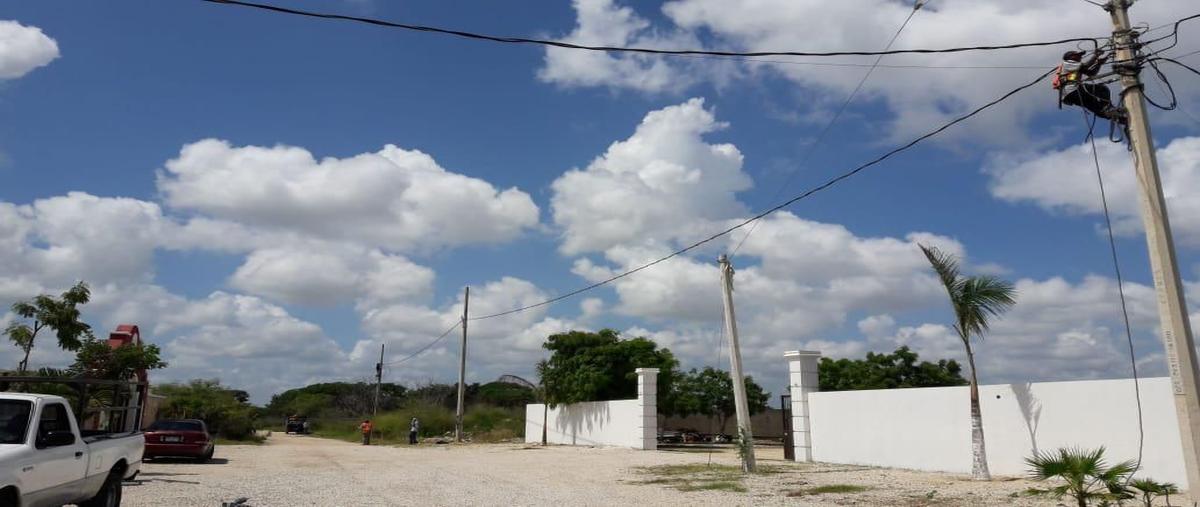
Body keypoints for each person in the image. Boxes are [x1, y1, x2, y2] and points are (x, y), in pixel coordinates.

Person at [1056, 50, 1127, 124]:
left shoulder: (1074, 67)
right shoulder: (1067, 63)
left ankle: (1120, 119)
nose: (1080, 57)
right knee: (1102, 88)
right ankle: (1109, 108)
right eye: (1077, 55)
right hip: (1073, 90)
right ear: (1070, 57)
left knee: (1097, 107)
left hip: (1069, 95)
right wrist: (1096, 55)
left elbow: (1091, 73)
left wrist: (1099, 64)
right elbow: (1086, 65)